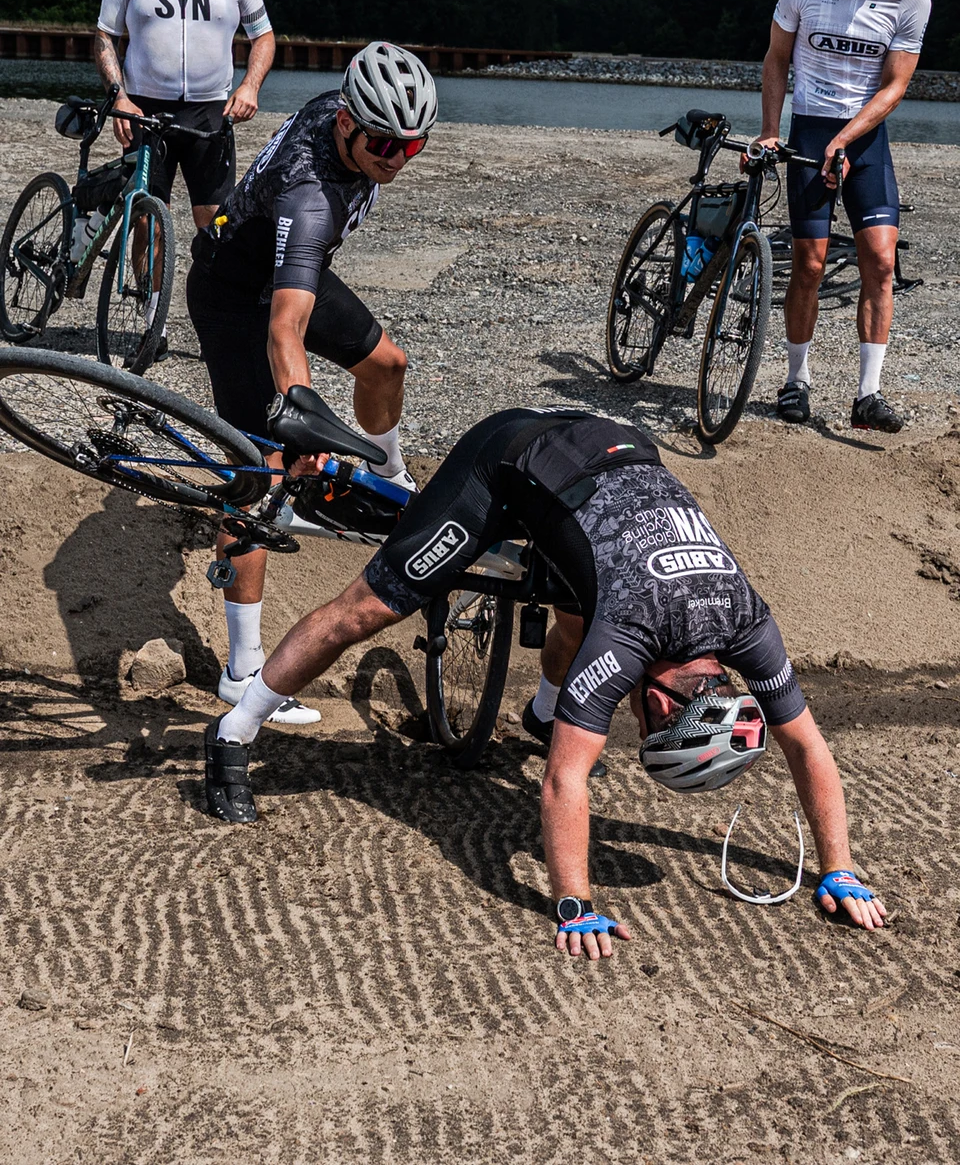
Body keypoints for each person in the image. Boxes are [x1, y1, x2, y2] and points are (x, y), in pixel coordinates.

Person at [202, 406, 885, 952]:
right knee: (367, 609)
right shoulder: (629, 636)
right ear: (653, 701)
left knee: (579, 596)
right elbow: (565, 781)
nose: (632, 726)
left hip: (616, 449)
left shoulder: (745, 621)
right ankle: (234, 730)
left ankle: (543, 710)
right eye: (642, 729)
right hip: (507, 458)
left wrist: (840, 867)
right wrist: (574, 905)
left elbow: (806, 745)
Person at [187, 40, 437, 727]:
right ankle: (242, 673)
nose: (395, 159)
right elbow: (283, 333)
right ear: (347, 125)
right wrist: (297, 423)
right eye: (384, 143)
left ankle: (391, 474)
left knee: (388, 363)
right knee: (260, 472)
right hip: (235, 299)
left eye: (411, 147)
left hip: (281, 267)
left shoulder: (341, 113)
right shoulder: (312, 197)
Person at [759, 0, 931, 433]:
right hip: (811, 130)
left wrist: (848, 139)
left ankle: (867, 395)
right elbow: (777, 59)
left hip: (865, 137)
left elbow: (895, 85)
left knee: (880, 262)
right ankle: (796, 380)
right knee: (808, 264)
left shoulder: (911, 0)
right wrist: (768, 132)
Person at [95, 0, 276, 231]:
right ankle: (148, 292)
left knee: (216, 228)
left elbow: (264, 36)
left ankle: (207, 290)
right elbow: (105, 37)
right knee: (146, 222)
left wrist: (250, 86)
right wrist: (118, 96)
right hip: (144, 109)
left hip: (209, 112)